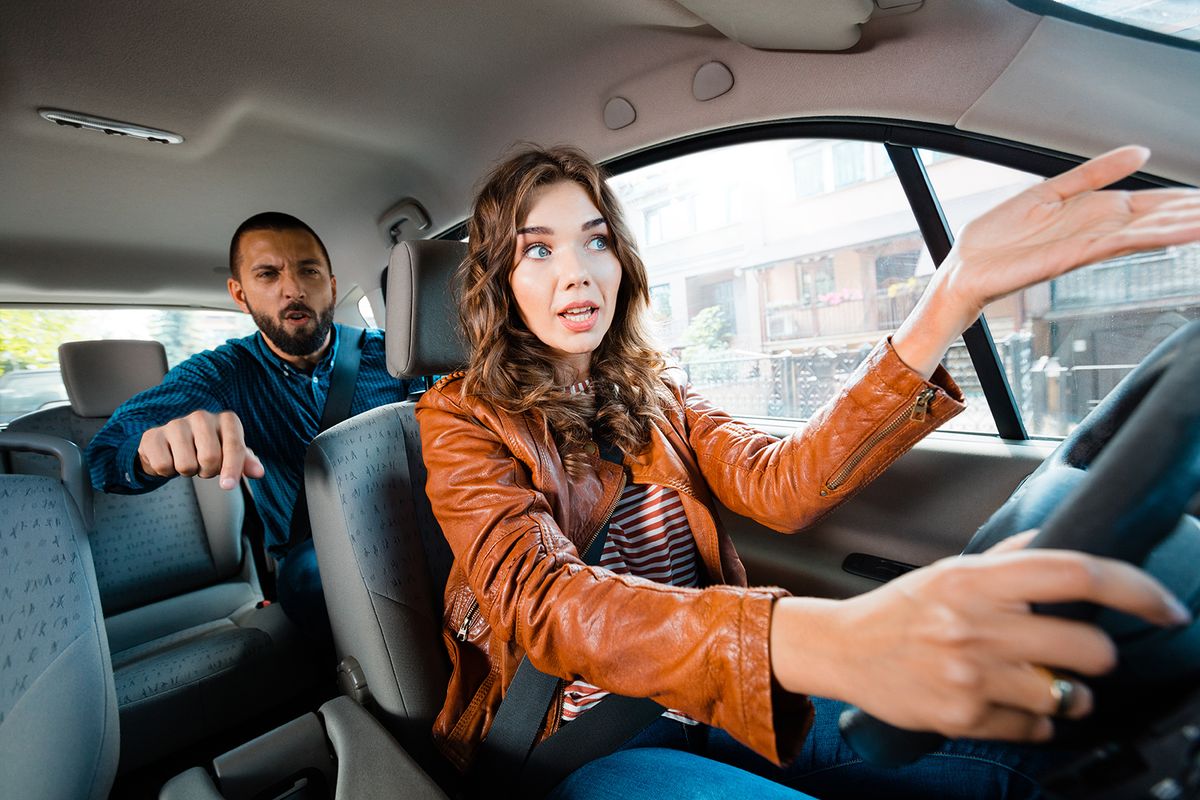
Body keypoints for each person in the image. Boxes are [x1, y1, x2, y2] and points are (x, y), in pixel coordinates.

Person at [415, 145, 1200, 799]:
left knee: (1035, 761)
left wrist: (953, 294)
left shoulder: (658, 392)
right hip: (578, 739)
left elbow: (782, 482)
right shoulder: (459, 418)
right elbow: (545, 603)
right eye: (538, 250)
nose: (577, 272)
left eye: (595, 240)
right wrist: (817, 636)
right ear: (500, 281)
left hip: (719, 693)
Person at [89, 212, 423, 635]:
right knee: (316, 580)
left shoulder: (397, 354)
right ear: (239, 293)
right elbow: (103, 458)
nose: (293, 289)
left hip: (415, 528)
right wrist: (149, 453)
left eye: (309, 271)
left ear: (332, 285)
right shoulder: (221, 372)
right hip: (316, 556)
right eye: (268, 274)